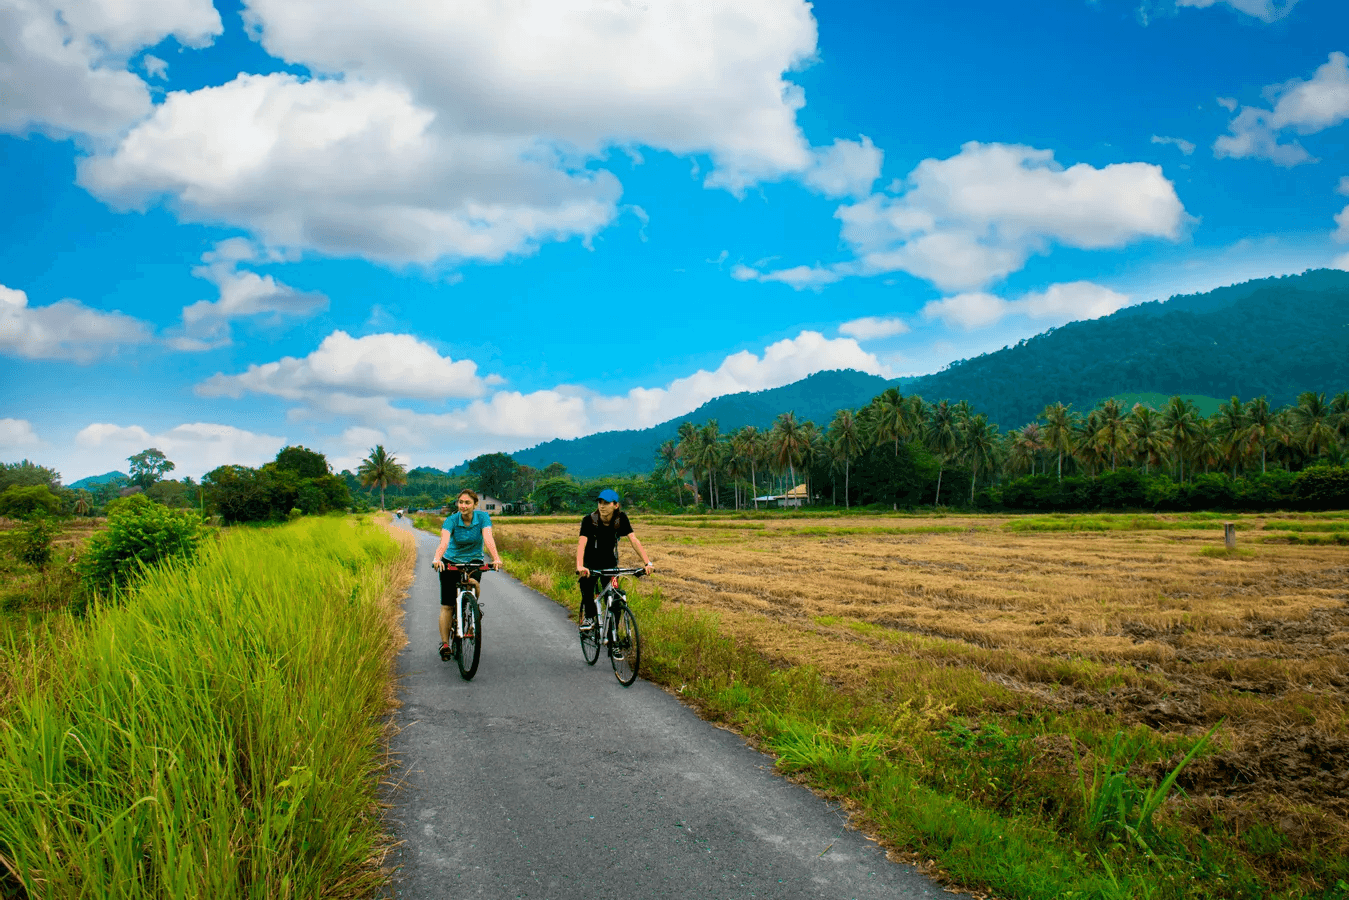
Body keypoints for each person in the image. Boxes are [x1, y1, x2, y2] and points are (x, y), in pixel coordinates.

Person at [432, 489, 503, 660]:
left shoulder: (482, 518)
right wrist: (437, 558)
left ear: (475, 504)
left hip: (473, 561)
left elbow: (488, 538)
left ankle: (472, 611)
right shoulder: (451, 520)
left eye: (467, 503)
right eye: (461, 502)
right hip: (451, 561)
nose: (463, 506)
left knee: (473, 583)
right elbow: (444, 541)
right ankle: (445, 644)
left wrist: (496, 558)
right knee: (448, 605)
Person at [575, 488, 653, 628]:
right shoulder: (588, 520)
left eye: (606, 503)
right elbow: (582, 543)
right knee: (587, 586)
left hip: (609, 562)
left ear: (615, 505)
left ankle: (613, 635)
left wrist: (647, 563)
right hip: (590, 563)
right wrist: (580, 566)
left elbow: (633, 540)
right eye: (600, 502)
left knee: (616, 598)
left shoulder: (621, 519)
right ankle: (589, 618)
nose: (602, 506)